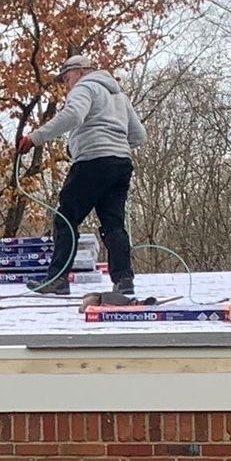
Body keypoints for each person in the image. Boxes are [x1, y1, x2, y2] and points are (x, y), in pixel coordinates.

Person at [15, 60, 146, 299]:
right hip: (120, 163)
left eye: (67, 78)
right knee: (113, 223)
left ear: (83, 72)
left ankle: (57, 279)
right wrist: (107, 143)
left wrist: (35, 137)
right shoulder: (120, 97)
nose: (67, 85)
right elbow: (138, 136)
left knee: (66, 217)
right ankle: (124, 280)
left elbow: (73, 115)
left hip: (93, 161)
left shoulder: (85, 87)